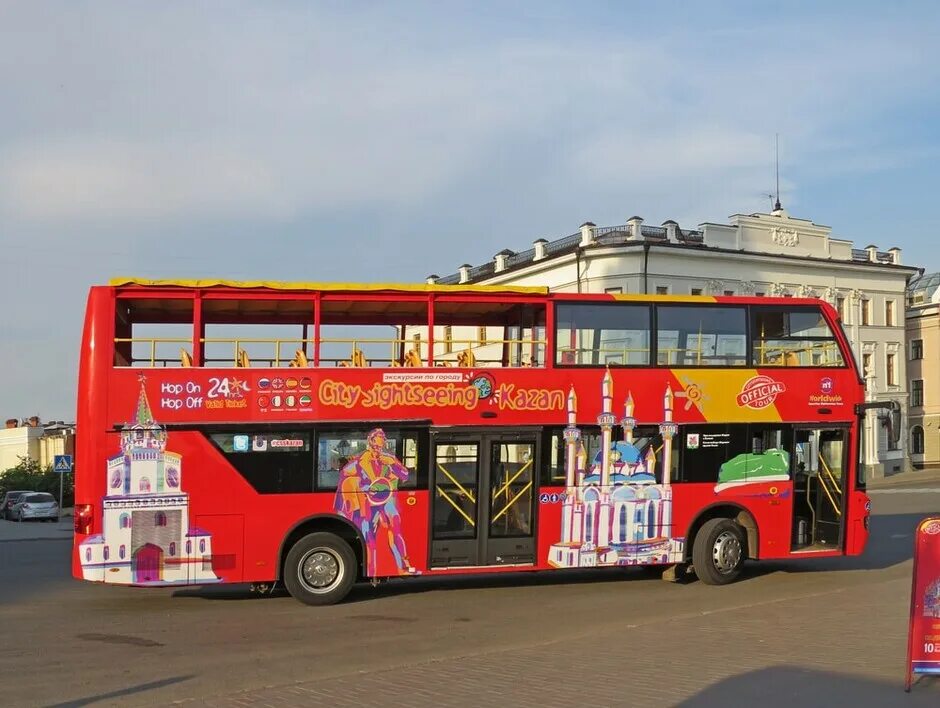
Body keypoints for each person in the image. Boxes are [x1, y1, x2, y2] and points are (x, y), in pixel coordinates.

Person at [334, 429, 416, 575]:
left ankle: (404, 564)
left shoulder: (388, 458)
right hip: (367, 501)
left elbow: (405, 475)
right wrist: (361, 488)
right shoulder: (360, 460)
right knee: (367, 534)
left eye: (380, 446)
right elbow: (344, 477)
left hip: (386, 496)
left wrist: (394, 464)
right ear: (370, 443)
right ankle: (371, 570)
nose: (378, 450)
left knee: (395, 523)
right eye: (376, 447)